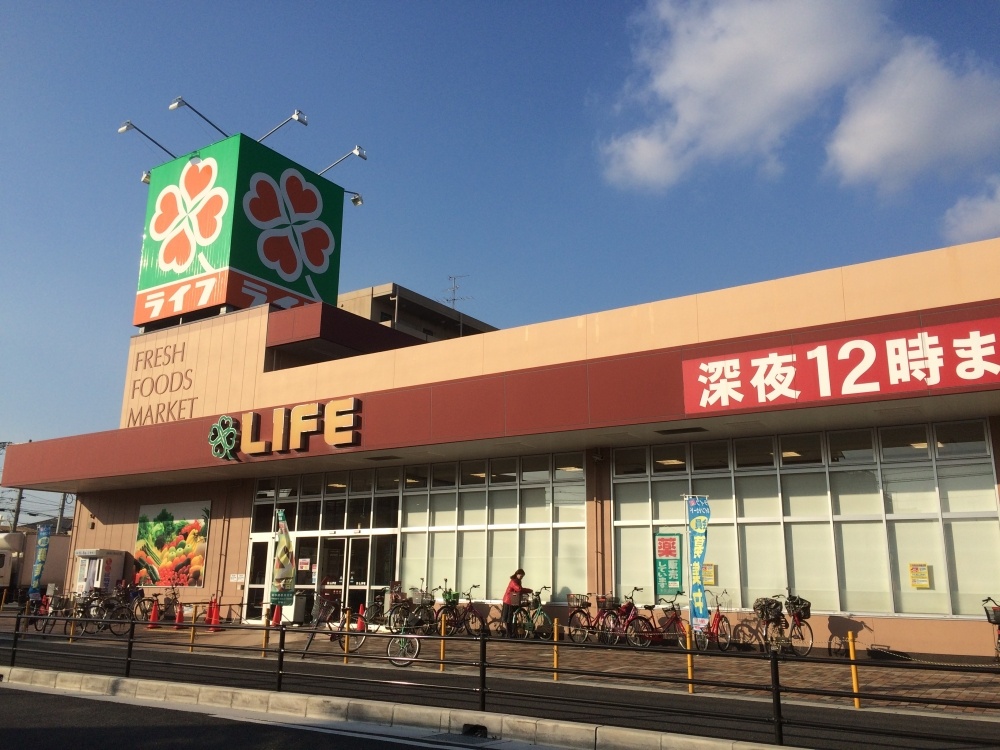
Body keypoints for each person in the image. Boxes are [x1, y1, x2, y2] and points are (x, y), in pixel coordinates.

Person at [501, 569, 532, 638]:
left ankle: (513, 632)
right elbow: (519, 589)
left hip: (513, 600)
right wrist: (528, 590)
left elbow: (520, 589)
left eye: (522, 576)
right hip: (508, 601)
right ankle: (509, 634)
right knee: (508, 618)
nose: (522, 577)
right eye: (521, 576)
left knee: (512, 616)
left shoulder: (518, 581)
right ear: (517, 574)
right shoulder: (513, 581)